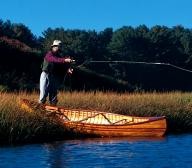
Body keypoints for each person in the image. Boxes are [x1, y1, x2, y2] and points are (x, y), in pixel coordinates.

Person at [39, 40, 74, 105]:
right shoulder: (49, 54)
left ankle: (53, 107)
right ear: (54, 47)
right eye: (58, 47)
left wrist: (68, 69)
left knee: (53, 92)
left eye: (60, 47)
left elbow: (62, 64)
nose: (59, 48)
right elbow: (54, 59)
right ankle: (41, 106)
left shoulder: (59, 56)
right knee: (43, 92)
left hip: (53, 76)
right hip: (45, 74)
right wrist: (65, 60)